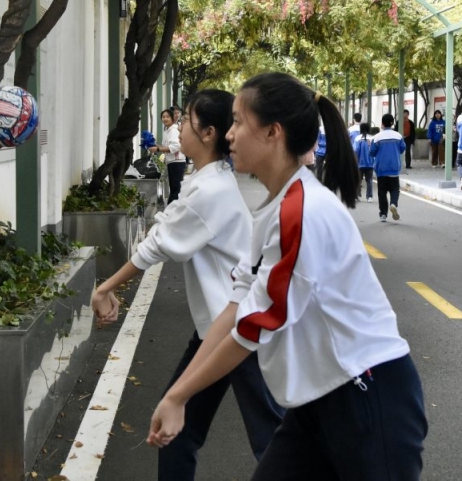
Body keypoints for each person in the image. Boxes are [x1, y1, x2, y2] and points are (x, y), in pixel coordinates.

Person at [147, 72, 427, 480]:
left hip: (368, 396)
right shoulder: (275, 205)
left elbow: (253, 327)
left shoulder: (302, 211)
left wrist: (179, 395)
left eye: (239, 121)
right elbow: (236, 304)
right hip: (319, 399)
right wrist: (177, 394)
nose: (230, 134)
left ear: (273, 133)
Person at [94, 90, 284, 481]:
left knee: (275, 442)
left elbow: (160, 244)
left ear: (209, 132)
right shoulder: (203, 180)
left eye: (186, 121)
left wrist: (104, 288)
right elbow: (166, 227)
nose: (178, 127)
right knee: (175, 429)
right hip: (217, 330)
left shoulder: (211, 189)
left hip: (241, 331)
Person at [371, 113, 406, 222]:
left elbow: (372, 152)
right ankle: (393, 203)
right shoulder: (398, 136)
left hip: (381, 169)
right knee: (395, 189)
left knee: (382, 192)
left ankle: (383, 214)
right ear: (392, 123)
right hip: (394, 168)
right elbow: (402, 149)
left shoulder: (377, 137)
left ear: (382, 123)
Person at [150, 109, 187, 203]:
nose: (165, 119)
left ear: (172, 118)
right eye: (163, 117)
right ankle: (171, 210)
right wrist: (156, 146)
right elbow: (166, 146)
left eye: (167, 117)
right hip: (171, 162)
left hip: (177, 162)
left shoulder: (173, 130)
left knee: (176, 190)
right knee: (174, 188)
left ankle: (173, 212)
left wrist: (158, 149)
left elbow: (175, 146)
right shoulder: (167, 130)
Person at [353, 122, 374, 202]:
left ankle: (357, 196)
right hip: (370, 163)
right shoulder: (372, 138)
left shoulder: (357, 138)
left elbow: (355, 150)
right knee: (369, 181)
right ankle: (369, 197)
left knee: (358, 180)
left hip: (359, 163)